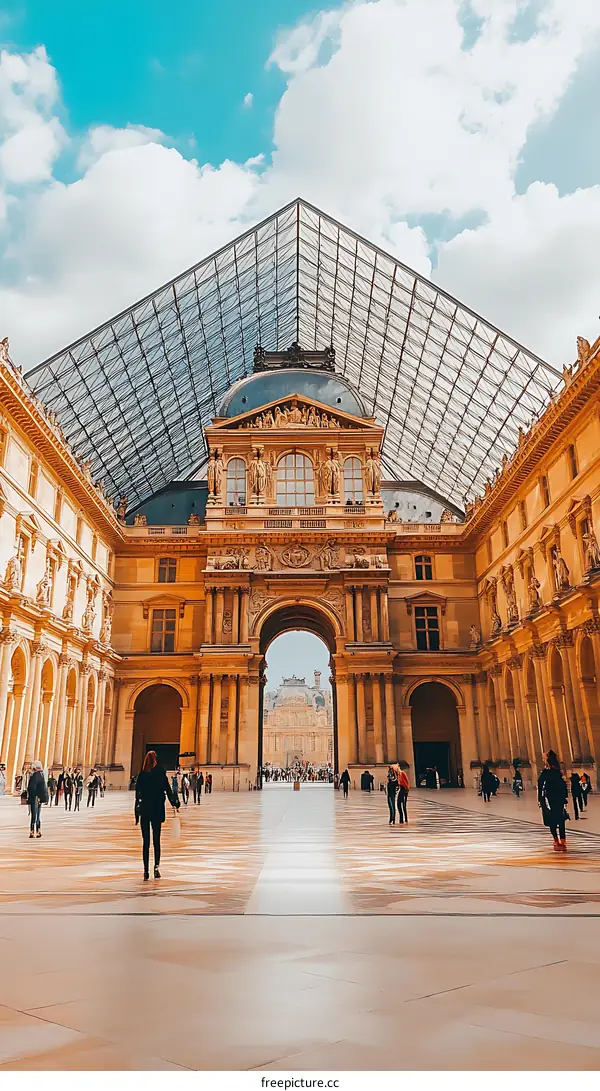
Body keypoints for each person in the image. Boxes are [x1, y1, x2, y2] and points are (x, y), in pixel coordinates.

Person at [135, 750, 180, 880]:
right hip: (156, 810)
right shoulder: (160, 774)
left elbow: (137, 795)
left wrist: (136, 813)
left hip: (145, 810)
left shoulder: (142, 775)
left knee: (146, 842)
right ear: (155, 760)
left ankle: (145, 871)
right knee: (156, 841)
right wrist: (175, 803)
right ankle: (156, 868)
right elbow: (168, 790)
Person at [538, 749, 568, 852]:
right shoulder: (557, 772)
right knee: (561, 820)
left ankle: (556, 840)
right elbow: (563, 786)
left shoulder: (545, 773)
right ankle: (563, 841)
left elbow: (541, 787)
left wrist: (540, 801)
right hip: (559, 799)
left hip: (549, 799)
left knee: (552, 821)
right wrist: (564, 798)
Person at [27, 760, 49, 838]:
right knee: (38, 815)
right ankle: (39, 830)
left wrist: (30, 795)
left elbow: (32, 788)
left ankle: (32, 831)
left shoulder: (35, 775)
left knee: (33, 815)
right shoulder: (42, 775)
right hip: (40, 798)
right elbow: (44, 788)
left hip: (35, 797)